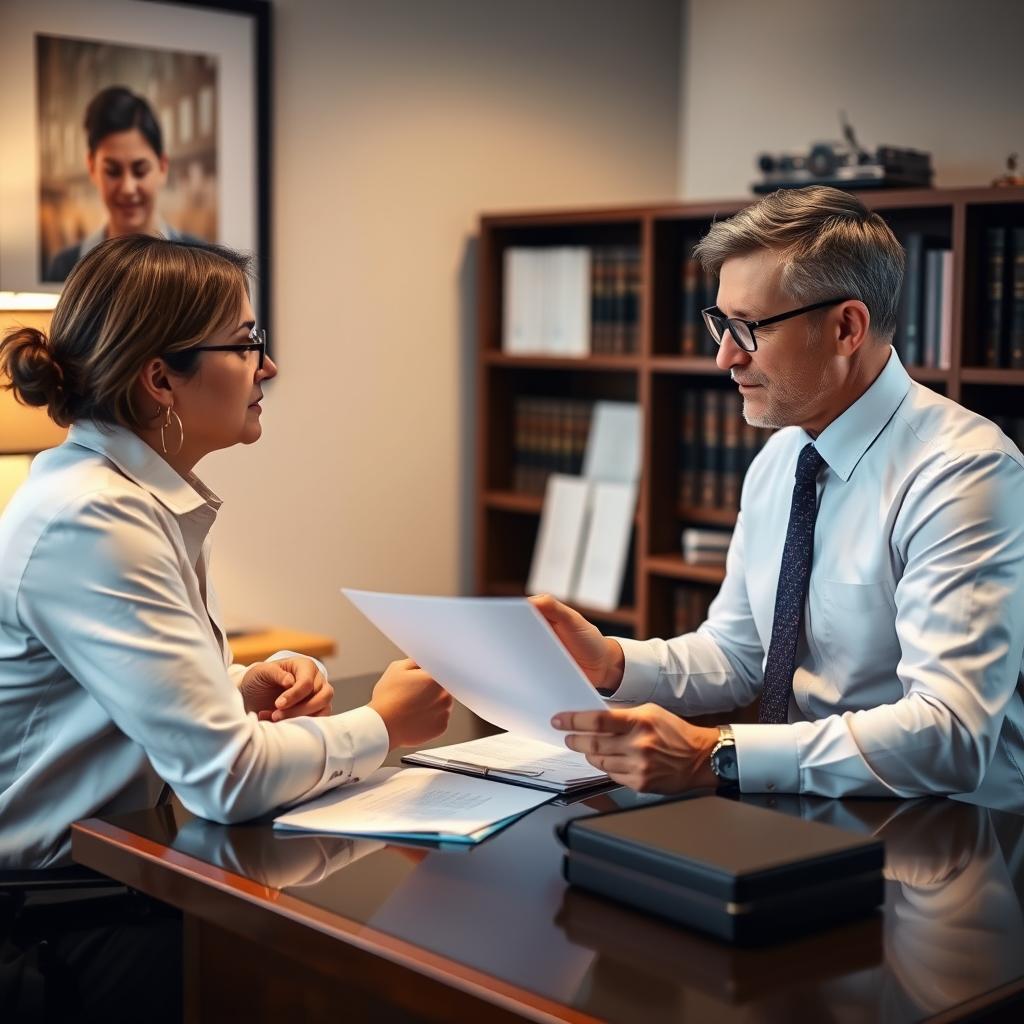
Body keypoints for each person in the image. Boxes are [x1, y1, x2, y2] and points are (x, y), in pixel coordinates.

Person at [537, 185, 1024, 801]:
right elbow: (741, 654)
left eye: (747, 327)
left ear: (847, 327)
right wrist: (611, 664)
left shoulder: (963, 473)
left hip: (951, 833)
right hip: (804, 806)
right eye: (720, 323)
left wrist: (718, 755)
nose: (724, 357)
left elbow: (950, 734)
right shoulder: (781, 457)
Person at [0, 235, 453, 869]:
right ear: (160, 378)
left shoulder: (129, 499)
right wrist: (382, 726)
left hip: (115, 872)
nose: (267, 367)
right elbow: (227, 779)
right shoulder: (95, 519)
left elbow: (123, 708)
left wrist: (238, 691)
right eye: (246, 344)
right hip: (58, 919)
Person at [45, 86, 201, 282]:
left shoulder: (201, 264)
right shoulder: (64, 268)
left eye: (140, 171)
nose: (127, 188)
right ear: (92, 168)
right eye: (113, 171)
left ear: (163, 167)